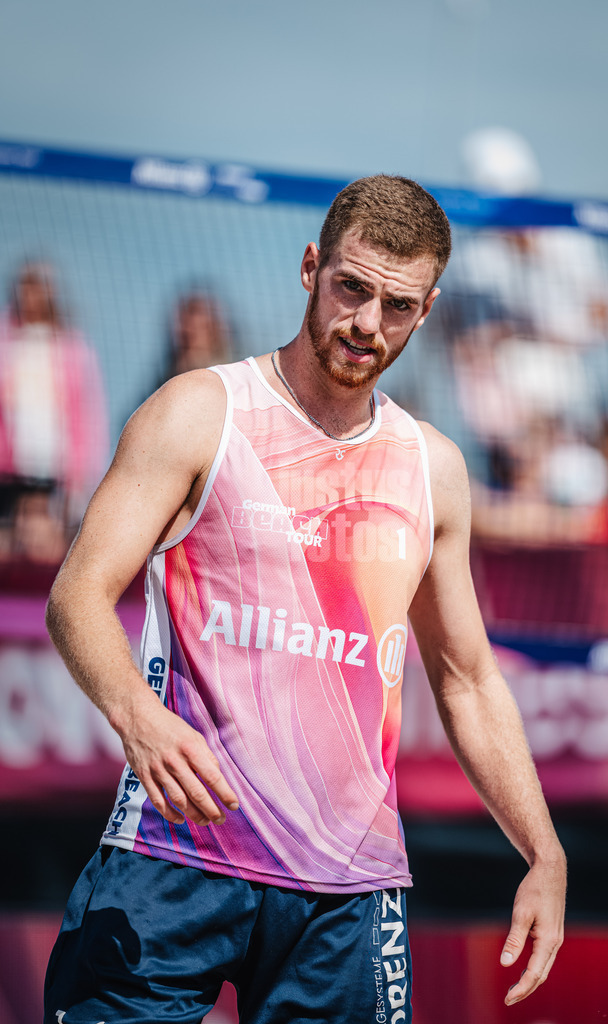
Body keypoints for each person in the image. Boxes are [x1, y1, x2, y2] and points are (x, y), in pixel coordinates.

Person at [43, 176, 566, 1024]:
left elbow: (466, 679)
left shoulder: (430, 466)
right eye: (351, 289)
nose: (366, 324)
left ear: (426, 311)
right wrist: (138, 717)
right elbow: (77, 594)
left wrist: (542, 852)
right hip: (175, 856)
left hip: (346, 894)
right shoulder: (200, 414)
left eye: (396, 305)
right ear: (310, 268)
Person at [0, 261, 109, 558]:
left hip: (55, 467)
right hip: (9, 468)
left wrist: (83, 473)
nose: (30, 296)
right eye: (25, 287)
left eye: (36, 288)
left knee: (48, 547)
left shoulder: (72, 346)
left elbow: (89, 414)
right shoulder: (6, 339)